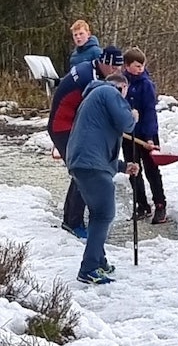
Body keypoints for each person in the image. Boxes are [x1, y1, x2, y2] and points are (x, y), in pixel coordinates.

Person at [66, 72, 139, 284]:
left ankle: (99, 261)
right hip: (90, 165)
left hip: (83, 163)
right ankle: (88, 268)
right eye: (124, 94)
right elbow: (127, 124)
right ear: (122, 88)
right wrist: (132, 115)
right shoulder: (108, 91)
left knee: (99, 213)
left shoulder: (94, 98)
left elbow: (97, 147)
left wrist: (123, 166)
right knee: (103, 214)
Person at [47, 46, 125, 239]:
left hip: (71, 124)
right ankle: (73, 222)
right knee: (83, 169)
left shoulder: (90, 67)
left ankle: (71, 217)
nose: (117, 72)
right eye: (114, 68)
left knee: (81, 171)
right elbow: (96, 109)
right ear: (105, 62)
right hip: (62, 126)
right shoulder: (89, 78)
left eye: (119, 68)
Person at [122, 47, 168, 224]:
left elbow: (150, 111)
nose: (140, 69)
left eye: (142, 66)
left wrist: (149, 137)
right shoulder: (121, 82)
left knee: (151, 170)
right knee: (133, 170)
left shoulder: (146, 84)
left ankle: (160, 205)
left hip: (146, 134)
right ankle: (141, 205)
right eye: (136, 66)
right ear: (127, 66)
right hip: (127, 134)